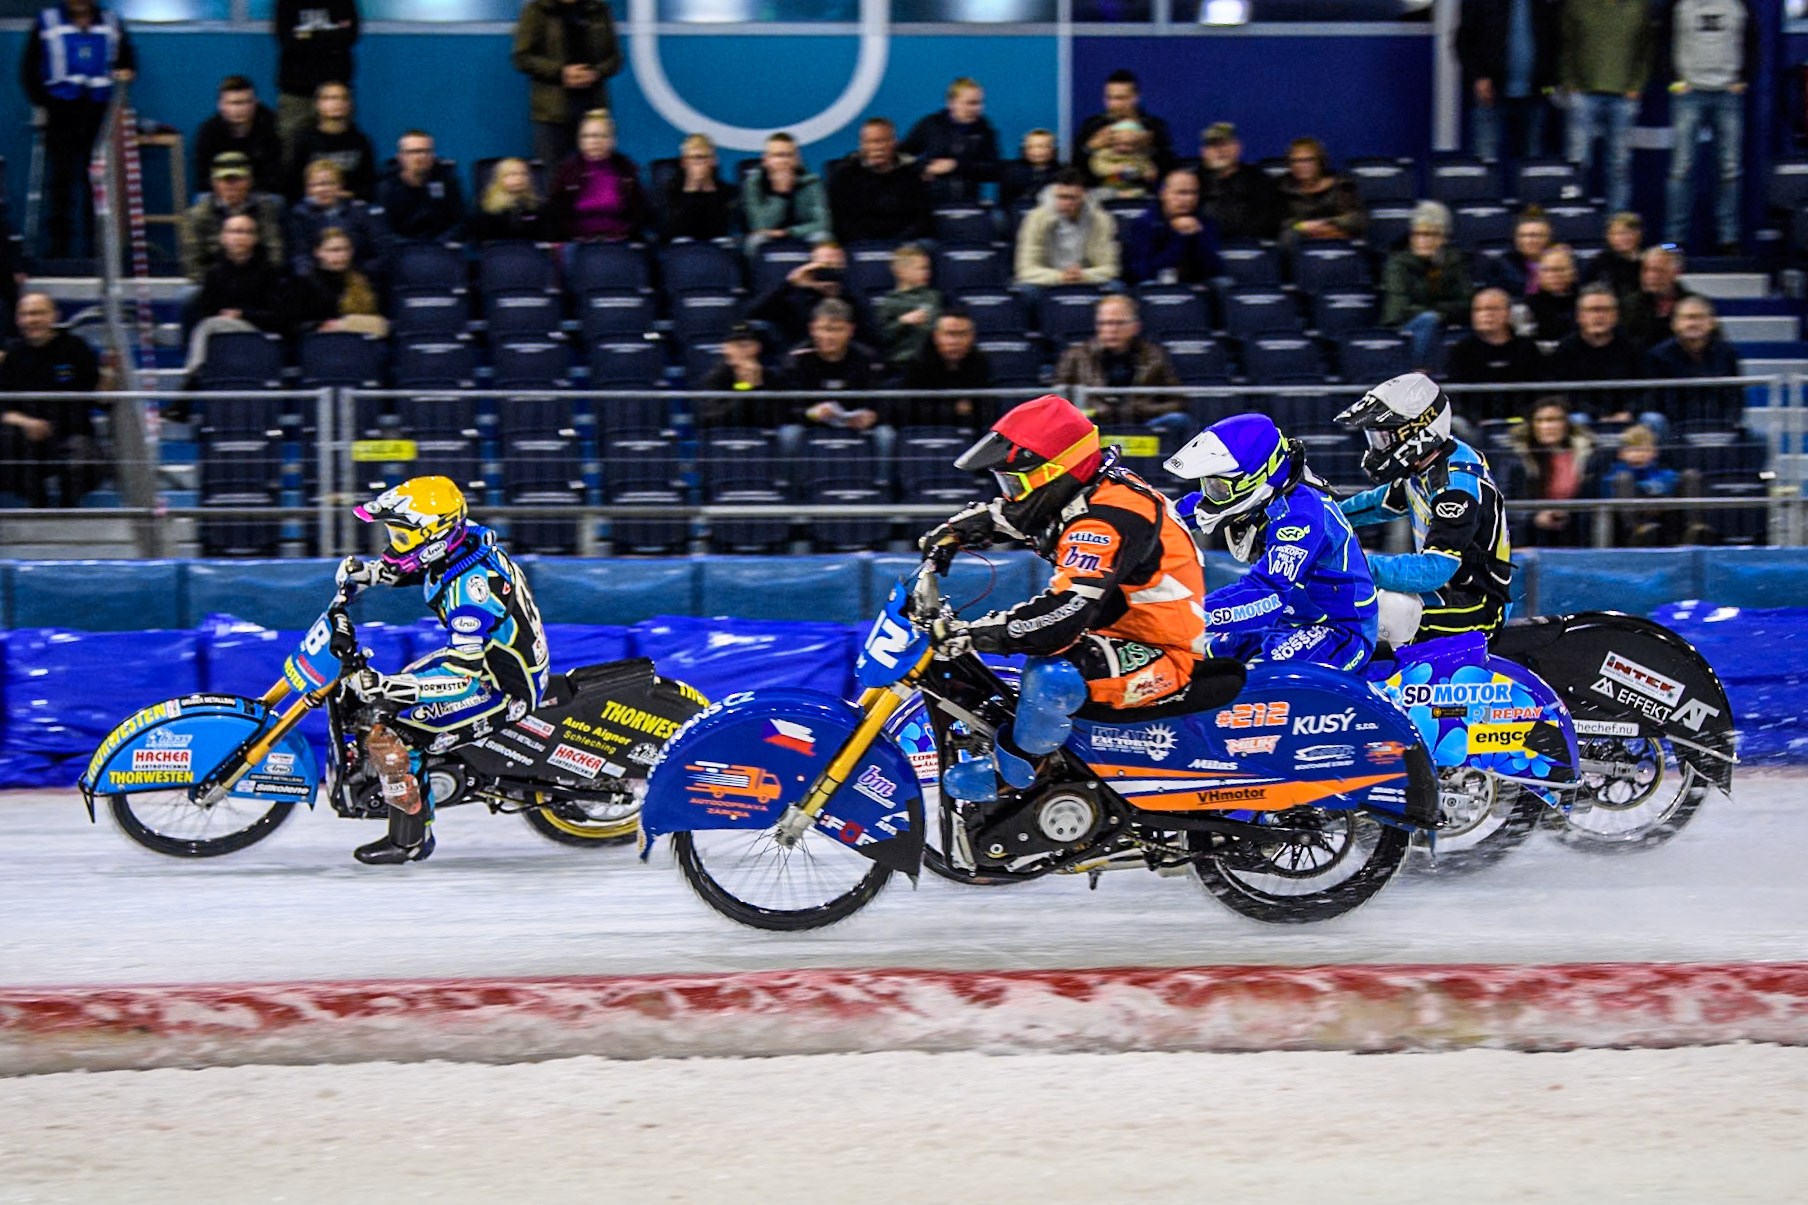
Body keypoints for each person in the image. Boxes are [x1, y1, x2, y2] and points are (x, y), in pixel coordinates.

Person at [923, 393, 1207, 801]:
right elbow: (1028, 514)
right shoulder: (1086, 489)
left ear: (1056, 471)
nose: (1010, 493)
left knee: (1052, 677)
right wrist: (955, 530)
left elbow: (1062, 617)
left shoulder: (1109, 518)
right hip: (1115, 630)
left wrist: (975, 633)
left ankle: (1023, 776)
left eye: (1015, 482)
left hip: (1162, 650)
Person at [335, 476, 551, 865]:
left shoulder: (471, 592)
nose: (394, 544)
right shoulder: (464, 543)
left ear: (434, 535)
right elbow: (417, 566)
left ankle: (410, 840)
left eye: (402, 536)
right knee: (385, 697)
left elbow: (462, 678)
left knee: (393, 735)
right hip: (487, 662)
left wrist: (389, 685)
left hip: (501, 687)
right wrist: (370, 573)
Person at [1165, 412, 1378, 671]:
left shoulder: (1300, 516)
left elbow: (1266, 596)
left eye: (1217, 487)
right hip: (1283, 624)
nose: (1210, 495)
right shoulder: (1257, 493)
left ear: (1255, 478)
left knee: (1257, 683)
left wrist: (1183, 615)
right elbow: (1172, 515)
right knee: (1196, 659)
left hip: (1337, 631)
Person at [1337, 372, 1515, 644]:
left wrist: (1350, 565)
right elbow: (1381, 502)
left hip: (1478, 606)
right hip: (1448, 592)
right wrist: (1320, 518)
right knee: (1353, 604)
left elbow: (1434, 570)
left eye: (1384, 438)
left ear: (1419, 431)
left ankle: (1392, 687)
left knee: (1385, 616)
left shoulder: (1456, 489)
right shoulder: (1428, 462)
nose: (1377, 447)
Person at [21, 0, 136, 259]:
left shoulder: (111, 22)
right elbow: (29, 68)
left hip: (98, 112)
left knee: (96, 182)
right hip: (61, 110)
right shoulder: (47, 21)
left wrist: (125, 74)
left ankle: (96, 248)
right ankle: (59, 247)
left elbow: (127, 61)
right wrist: (44, 102)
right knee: (61, 180)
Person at [1663, 0, 1753, 253]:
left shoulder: (1739, 4)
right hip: (1688, 93)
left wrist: (1744, 77)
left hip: (1727, 93)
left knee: (1730, 169)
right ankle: (1673, 242)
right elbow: (1662, 40)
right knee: (1681, 168)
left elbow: (1752, 40)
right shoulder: (1678, 4)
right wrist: (1673, 80)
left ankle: (1729, 240)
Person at [0, 291, 103, 506]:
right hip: (28, 438)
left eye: (38, 313)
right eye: (26, 314)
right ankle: (36, 506)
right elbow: (4, 409)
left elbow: (100, 396)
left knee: (85, 458)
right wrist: (27, 422)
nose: (32, 320)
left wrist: (111, 372)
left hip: (73, 435)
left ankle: (68, 510)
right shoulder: (13, 355)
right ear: (18, 319)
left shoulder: (76, 348)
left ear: (54, 316)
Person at [1561, 0, 1654, 216]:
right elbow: (1566, 45)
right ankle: (1574, 219)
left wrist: (1637, 84)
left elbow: (1647, 49)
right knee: (1578, 163)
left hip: (1624, 96)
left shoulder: (1638, 6)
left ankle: (1617, 228)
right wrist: (1571, 83)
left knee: (1619, 165)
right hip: (1583, 93)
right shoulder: (1577, 5)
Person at [512, 0, 623, 168]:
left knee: (597, 171)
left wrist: (596, 72)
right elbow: (522, 57)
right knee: (552, 177)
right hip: (551, 111)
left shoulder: (598, 9)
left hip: (593, 107)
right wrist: (560, 72)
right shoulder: (537, 10)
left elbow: (615, 58)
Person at [182, 214, 289, 378]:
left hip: (258, 331)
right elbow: (205, 309)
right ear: (223, 238)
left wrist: (242, 314)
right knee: (206, 320)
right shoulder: (214, 272)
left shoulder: (268, 272)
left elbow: (279, 316)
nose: (240, 237)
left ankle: (193, 374)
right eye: (235, 232)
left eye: (246, 232)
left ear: (255, 238)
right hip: (222, 331)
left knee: (208, 326)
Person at [1053, 294, 1181, 430]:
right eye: (1104, 323)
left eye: (1119, 323)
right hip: (1093, 424)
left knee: (1177, 420)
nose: (1111, 329)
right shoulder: (1075, 356)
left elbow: (1178, 401)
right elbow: (1057, 400)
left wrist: (1144, 409)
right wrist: (1093, 410)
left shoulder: (1155, 356)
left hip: (1143, 422)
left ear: (1135, 327)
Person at [1456, 0, 1563, 163]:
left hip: (1534, 96)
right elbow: (1464, 42)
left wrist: (1547, 89)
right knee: (1486, 162)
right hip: (1491, 95)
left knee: (1531, 166)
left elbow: (1556, 45)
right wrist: (1479, 77)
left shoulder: (1546, 4)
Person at [1379, 200, 1472, 367]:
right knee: (1428, 320)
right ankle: (1417, 374)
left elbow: (1467, 302)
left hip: (1443, 323)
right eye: (1418, 234)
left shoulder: (1455, 261)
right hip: (1404, 327)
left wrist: (1440, 315)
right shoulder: (1398, 263)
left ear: (1443, 238)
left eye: (1431, 234)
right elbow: (1399, 309)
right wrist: (1440, 314)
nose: (1424, 240)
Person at [1445, 287, 1548, 424]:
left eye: (1492, 309)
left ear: (1507, 313)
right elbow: (1455, 396)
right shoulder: (1461, 350)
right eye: (1478, 310)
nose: (1486, 314)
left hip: (1524, 422)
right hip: (1474, 424)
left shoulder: (1527, 348)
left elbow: (1539, 391)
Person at [179, 152, 286, 280]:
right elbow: (192, 263)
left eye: (237, 179)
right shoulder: (196, 216)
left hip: (259, 283)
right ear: (214, 182)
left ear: (250, 181)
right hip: (213, 285)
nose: (231, 185)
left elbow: (275, 253)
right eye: (225, 179)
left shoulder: (266, 210)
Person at [1646, 293, 1742, 431]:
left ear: (1712, 323)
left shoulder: (1727, 353)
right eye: (1686, 318)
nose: (1692, 323)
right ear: (1674, 324)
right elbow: (1656, 402)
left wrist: (1727, 424)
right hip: (1674, 429)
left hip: (1718, 426)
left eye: (1699, 317)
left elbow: (1735, 398)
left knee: (1758, 436)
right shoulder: (1658, 356)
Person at [828, 117, 931, 246]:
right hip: (857, 245)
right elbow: (840, 219)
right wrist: (865, 244)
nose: (878, 148)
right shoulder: (845, 175)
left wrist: (899, 242)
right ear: (862, 145)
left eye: (883, 141)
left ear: (894, 143)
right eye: (871, 142)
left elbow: (921, 218)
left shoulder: (912, 175)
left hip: (903, 246)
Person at [782, 298, 880, 430]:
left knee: (884, 435)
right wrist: (811, 413)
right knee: (790, 433)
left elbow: (877, 403)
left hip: (858, 427)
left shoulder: (867, 358)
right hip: (810, 426)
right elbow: (786, 409)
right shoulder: (796, 359)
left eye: (837, 330)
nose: (829, 337)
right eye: (823, 329)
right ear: (812, 329)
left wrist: (871, 416)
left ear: (851, 330)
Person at [546, 110, 645, 243]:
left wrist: (623, 234)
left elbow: (640, 213)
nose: (594, 141)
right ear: (580, 141)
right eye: (587, 136)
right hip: (577, 243)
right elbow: (556, 215)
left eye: (601, 136)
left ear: (612, 140)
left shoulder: (626, 169)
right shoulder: (567, 171)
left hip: (620, 242)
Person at [1012, 167, 1119, 288]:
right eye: (1062, 197)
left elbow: (1111, 268)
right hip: (1047, 281)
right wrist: (1060, 276)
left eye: (1073, 198)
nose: (1067, 203)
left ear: (1083, 196)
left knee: (1116, 286)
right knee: (1025, 289)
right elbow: (1025, 269)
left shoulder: (1101, 220)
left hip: (1087, 279)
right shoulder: (1035, 219)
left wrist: (1083, 275)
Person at [900, 76, 999, 205]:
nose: (977, 108)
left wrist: (956, 166)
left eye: (980, 103)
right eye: (970, 103)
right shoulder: (930, 125)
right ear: (952, 103)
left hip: (968, 205)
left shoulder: (985, 130)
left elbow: (994, 170)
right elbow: (901, 156)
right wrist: (923, 168)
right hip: (929, 206)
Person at [1510, 398, 1596, 547]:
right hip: (1528, 531)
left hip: (1575, 527)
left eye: (1555, 420)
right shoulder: (1515, 456)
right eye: (1540, 421)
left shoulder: (1586, 455)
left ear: (1566, 424)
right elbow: (1501, 500)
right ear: (1532, 425)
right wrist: (1534, 517)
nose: (1547, 426)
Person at [273, 0, 359, 148]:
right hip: (296, 89)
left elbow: (350, 36)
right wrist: (331, 35)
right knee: (291, 146)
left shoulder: (343, 3)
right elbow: (287, 40)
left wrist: (306, 36)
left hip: (336, 87)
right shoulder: (287, 3)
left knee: (339, 146)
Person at [1073, 69, 1175, 185]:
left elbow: (1169, 170)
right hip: (1102, 193)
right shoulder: (1092, 125)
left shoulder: (1154, 127)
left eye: (1120, 98)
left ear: (1136, 97)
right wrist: (1091, 147)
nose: (1113, 104)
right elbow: (1075, 169)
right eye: (1109, 98)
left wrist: (1149, 148)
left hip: (1143, 195)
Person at [285, 158, 381, 277]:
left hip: (359, 277)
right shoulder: (299, 216)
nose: (323, 189)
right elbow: (300, 256)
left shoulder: (360, 212)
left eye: (329, 183)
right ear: (307, 190)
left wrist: (357, 273)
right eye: (315, 185)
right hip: (318, 281)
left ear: (340, 186)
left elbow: (379, 252)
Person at [1122, 168, 1219, 286]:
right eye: (1181, 193)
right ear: (1163, 194)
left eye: (1194, 193)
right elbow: (1142, 272)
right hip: (1154, 286)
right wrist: (1180, 238)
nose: (1188, 199)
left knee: (1221, 283)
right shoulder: (1145, 223)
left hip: (1195, 286)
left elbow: (1212, 270)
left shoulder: (1205, 222)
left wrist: (1196, 237)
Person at [283, 80, 376, 202]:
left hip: (351, 208)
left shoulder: (361, 142)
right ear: (317, 104)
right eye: (329, 98)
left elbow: (369, 186)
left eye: (343, 98)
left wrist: (346, 196)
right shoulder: (303, 141)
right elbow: (292, 184)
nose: (336, 103)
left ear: (350, 104)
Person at [898, 308, 992, 428]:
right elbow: (908, 409)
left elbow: (986, 407)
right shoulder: (918, 362)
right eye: (949, 334)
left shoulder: (980, 361)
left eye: (962, 334)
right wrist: (953, 410)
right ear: (936, 336)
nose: (955, 341)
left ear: (972, 337)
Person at [193, 75, 284, 197]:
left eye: (245, 102)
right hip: (220, 194)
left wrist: (244, 191)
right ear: (220, 105)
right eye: (233, 103)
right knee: (202, 200)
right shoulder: (208, 132)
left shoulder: (272, 127)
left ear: (255, 103)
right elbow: (204, 177)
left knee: (275, 201)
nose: (239, 109)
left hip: (259, 193)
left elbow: (275, 177)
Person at [1547, 284, 1647, 395]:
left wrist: (1628, 411)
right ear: (1579, 316)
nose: (1598, 316)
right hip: (1578, 409)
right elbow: (1561, 392)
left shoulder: (1633, 347)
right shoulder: (1565, 349)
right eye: (1592, 310)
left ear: (1616, 315)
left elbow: (1644, 390)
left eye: (1605, 310)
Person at [744, 240, 846, 347]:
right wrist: (789, 283)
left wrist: (835, 296)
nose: (829, 272)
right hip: (798, 355)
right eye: (824, 266)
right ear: (811, 266)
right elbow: (754, 312)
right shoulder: (795, 296)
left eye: (836, 266)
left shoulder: (852, 294)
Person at [289, 226, 387, 336]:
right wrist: (323, 326)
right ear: (318, 252)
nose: (342, 255)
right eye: (334, 250)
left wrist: (348, 324)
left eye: (346, 249)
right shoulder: (305, 283)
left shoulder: (361, 279)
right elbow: (293, 324)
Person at [1197, 122, 1281, 243]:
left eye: (1225, 144)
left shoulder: (1259, 180)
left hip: (1250, 250)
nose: (1220, 150)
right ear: (1203, 152)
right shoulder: (1193, 183)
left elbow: (1269, 222)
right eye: (1214, 145)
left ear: (1238, 147)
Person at [376, 130, 465, 244]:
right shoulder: (386, 187)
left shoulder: (446, 180)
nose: (421, 157)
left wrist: (437, 245)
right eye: (414, 152)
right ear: (400, 157)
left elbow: (459, 223)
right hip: (402, 252)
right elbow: (384, 232)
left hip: (440, 250)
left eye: (427, 151)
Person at [1599, 423, 1681, 545]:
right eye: (1633, 449)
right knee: (1624, 479)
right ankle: (1636, 530)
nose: (1639, 454)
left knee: (1690, 476)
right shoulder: (1615, 476)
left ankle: (1693, 533)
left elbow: (1669, 485)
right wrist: (1649, 493)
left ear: (1655, 452)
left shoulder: (1665, 474)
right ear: (1621, 453)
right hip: (1624, 531)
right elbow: (1607, 496)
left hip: (1661, 521)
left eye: (1645, 449)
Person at [1278, 137, 1364, 245]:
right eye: (1295, 161)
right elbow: (1277, 223)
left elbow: (1357, 218)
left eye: (1308, 160)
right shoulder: (1282, 188)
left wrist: (1323, 225)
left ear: (1320, 161)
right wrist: (1300, 227)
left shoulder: (1342, 185)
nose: (1300, 165)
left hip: (1338, 240)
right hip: (1298, 245)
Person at [696, 322, 781, 428]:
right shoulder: (715, 378)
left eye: (746, 345)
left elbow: (777, 416)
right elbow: (712, 418)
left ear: (757, 348)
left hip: (765, 436)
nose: (741, 351)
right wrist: (745, 387)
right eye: (736, 346)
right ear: (726, 349)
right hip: (725, 436)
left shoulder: (770, 377)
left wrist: (758, 386)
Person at [872, 243, 942, 370]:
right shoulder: (889, 302)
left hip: (932, 364)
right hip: (901, 364)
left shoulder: (934, 297)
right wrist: (903, 321)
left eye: (928, 269)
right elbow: (881, 337)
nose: (927, 273)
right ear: (902, 272)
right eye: (922, 269)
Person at [658, 133, 736, 243]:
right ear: (684, 162)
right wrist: (692, 187)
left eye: (703, 157)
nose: (698, 163)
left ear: (713, 161)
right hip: (681, 252)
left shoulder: (726, 191)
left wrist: (708, 187)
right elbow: (672, 231)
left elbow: (720, 230)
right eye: (693, 158)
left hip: (715, 251)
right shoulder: (671, 191)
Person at [1621, 245, 1697, 351]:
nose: (1651, 276)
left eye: (1659, 270)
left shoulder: (1695, 306)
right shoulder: (1629, 305)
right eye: (1646, 270)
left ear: (1676, 272)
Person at [466, 157, 545, 245]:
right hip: (496, 251)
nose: (519, 178)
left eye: (524, 174)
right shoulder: (485, 207)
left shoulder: (537, 204)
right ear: (500, 178)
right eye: (512, 174)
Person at [1480, 210, 1553, 298]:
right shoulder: (1501, 266)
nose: (1529, 241)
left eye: (1536, 235)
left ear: (1548, 238)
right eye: (1523, 236)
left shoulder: (1561, 263)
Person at [1088, 120, 1158, 200]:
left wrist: (1149, 173)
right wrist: (1114, 168)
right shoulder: (1104, 154)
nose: (1123, 148)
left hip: (1132, 187)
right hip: (1108, 186)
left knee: (1145, 194)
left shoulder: (1139, 157)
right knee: (1096, 193)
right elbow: (1097, 166)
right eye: (1118, 144)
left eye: (1128, 145)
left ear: (1137, 146)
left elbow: (1148, 167)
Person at [1584, 211, 1646, 302]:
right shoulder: (1600, 262)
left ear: (1638, 234)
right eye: (1617, 234)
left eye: (1627, 233)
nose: (1623, 238)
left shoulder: (1648, 256)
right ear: (1609, 237)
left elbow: (1674, 247)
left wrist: (1663, 247)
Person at [1524, 243, 1579, 342]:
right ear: (1539, 275)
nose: (1553, 275)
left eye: (1560, 270)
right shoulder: (1528, 305)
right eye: (1547, 270)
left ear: (1573, 273)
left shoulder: (1586, 301)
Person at [999, 128, 1061, 213]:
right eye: (1031, 147)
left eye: (1041, 147)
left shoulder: (1062, 173)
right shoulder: (1012, 171)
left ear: (1052, 149)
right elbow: (1005, 203)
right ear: (1024, 150)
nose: (1036, 151)